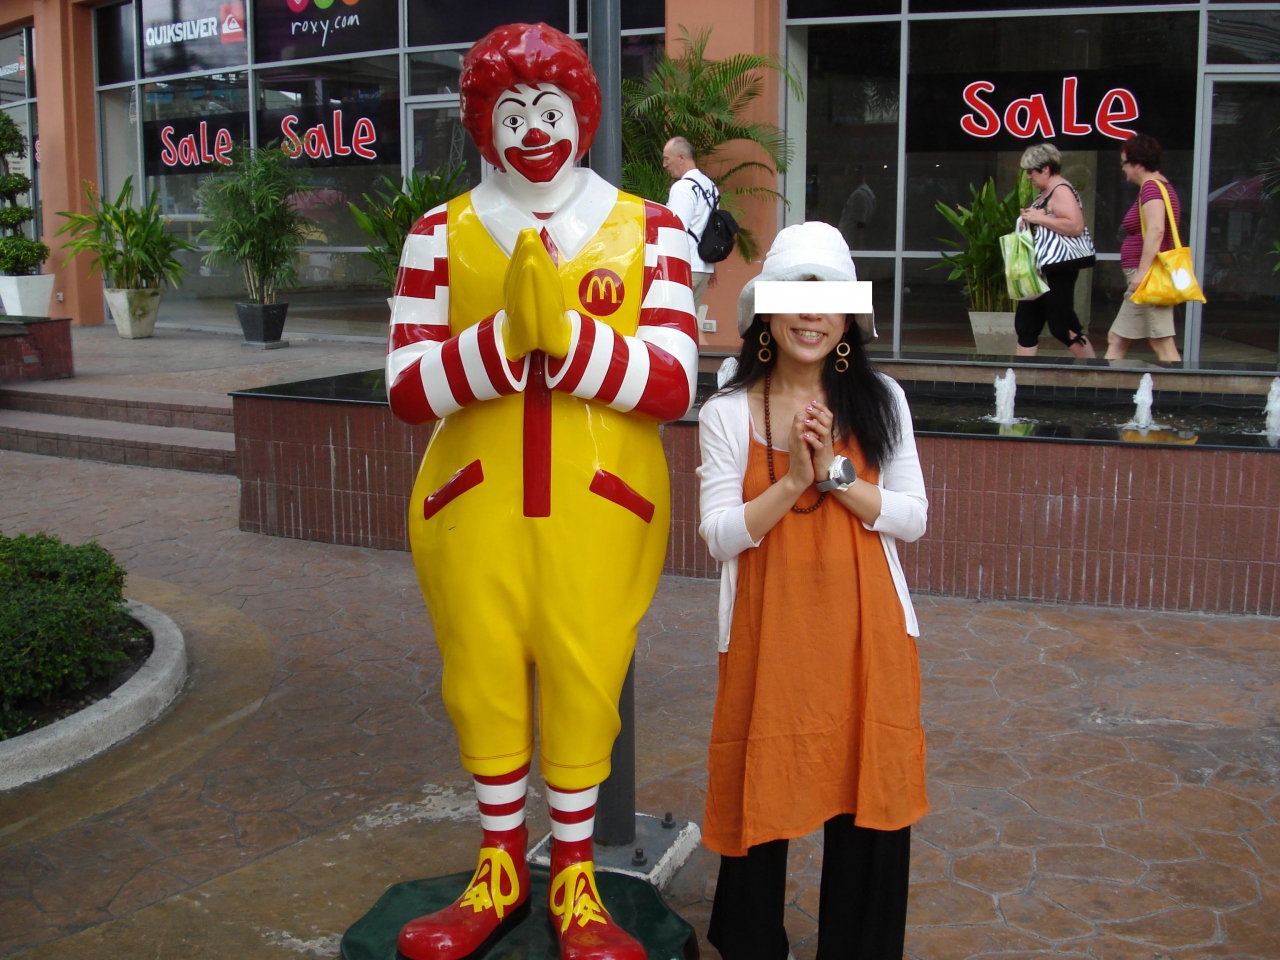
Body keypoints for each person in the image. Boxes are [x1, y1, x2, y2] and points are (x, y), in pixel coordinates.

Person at [384, 22, 699, 960]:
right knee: (480, 679)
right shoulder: (437, 234)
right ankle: (496, 871)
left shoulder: (652, 228)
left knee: (583, 682)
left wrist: (565, 340)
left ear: (582, 116)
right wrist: (501, 343)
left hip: (599, 511)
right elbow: (406, 387)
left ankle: (574, 879)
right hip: (471, 507)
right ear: (484, 124)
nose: (532, 131)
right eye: (512, 112)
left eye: (549, 110)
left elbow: (674, 382)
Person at [696, 221, 929, 960]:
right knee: (760, 785)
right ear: (764, 312)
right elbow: (719, 535)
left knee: (870, 796)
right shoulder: (728, 411)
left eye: (828, 299)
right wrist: (793, 479)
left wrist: (833, 474)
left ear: (848, 318)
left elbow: (912, 518)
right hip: (769, 633)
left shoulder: (882, 401)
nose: (811, 314)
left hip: (867, 633)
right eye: (794, 296)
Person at [1015, 143, 1097, 358]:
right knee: (1026, 324)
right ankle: (1020, 374)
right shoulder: (1045, 193)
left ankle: (1094, 370)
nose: (1029, 177)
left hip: (1057, 267)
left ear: (1046, 169)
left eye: (1031, 172)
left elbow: (1076, 226)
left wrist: (1039, 218)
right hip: (1040, 268)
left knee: (1062, 325)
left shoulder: (1061, 190)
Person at [1107, 132, 1183, 362]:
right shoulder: (1158, 187)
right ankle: (1105, 382)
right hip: (1148, 276)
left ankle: (1180, 385)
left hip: (1149, 277)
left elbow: (1156, 230)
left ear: (1137, 163)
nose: (1123, 169)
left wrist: (1141, 273)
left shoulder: (1151, 188)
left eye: (1124, 163)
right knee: (1117, 339)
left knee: (1162, 342)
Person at [663, 135, 719, 310]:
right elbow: (712, 228)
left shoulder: (682, 187)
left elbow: (675, 230)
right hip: (703, 267)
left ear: (681, 157)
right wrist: (713, 266)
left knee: (674, 320)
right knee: (691, 321)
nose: (664, 165)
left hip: (685, 266)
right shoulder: (710, 186)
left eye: (667, 159)